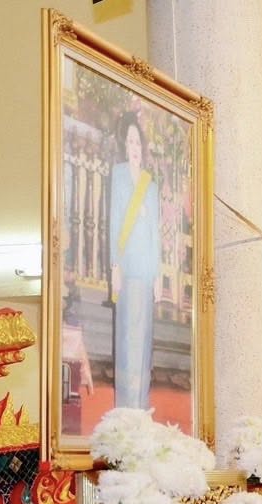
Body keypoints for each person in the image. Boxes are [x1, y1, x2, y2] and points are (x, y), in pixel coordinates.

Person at [107, 111, 161, 409]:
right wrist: (115, 266)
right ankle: (126, 405)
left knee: (144, 338)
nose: (134, 147)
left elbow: (155, 233)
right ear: (124, 146)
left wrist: (157, 275)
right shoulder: (118, 176)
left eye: (138, 141)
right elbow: (115, 221)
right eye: (130, 141)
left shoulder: (150, 186)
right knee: (128, 335)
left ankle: (141, 404)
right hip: (127, 266)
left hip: (146, 268)